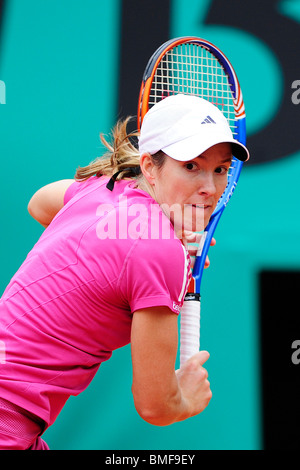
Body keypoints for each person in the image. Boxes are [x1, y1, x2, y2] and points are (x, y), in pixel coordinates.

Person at [0, 94, 249, 450]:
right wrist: (187, 397)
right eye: (191, 166)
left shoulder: (104, 189)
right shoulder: (159, 251)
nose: (209, 187)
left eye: (220, 169)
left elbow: (40, 202)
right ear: (149, 166)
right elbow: (156, 406)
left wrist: (117, 264)